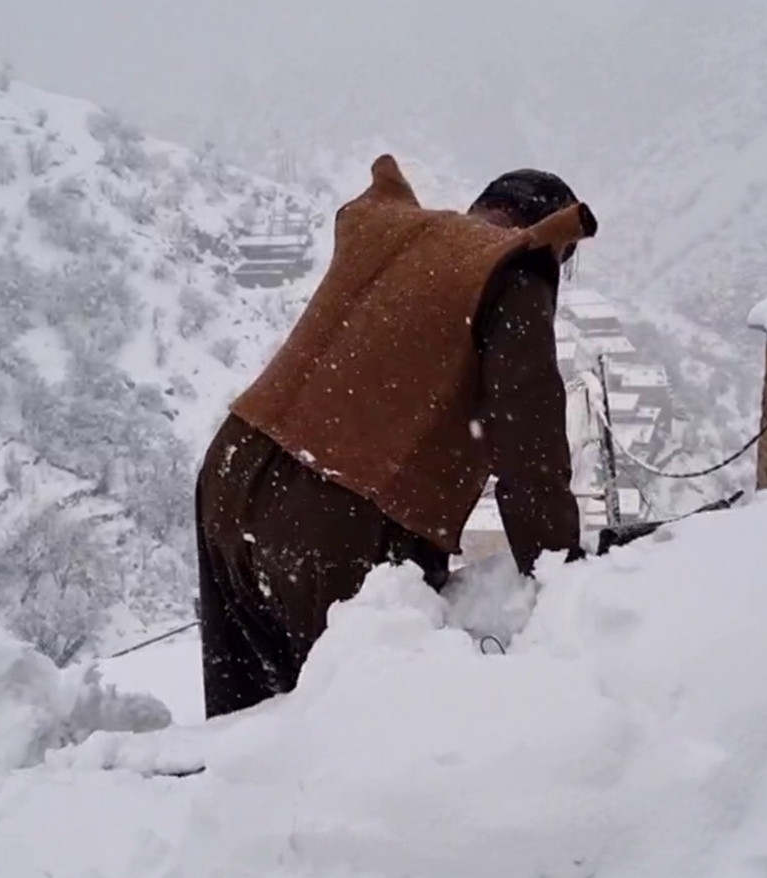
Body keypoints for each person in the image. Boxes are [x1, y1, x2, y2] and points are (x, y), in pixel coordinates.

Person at [195, 154, 598, 719]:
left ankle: (207, 804)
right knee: (340, 725)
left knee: (245, 719)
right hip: (335, 512)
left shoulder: (403, 235)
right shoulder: (513, 268)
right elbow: (527, 447)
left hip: (231, 467)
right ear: (551, 240)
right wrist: (557, 570)